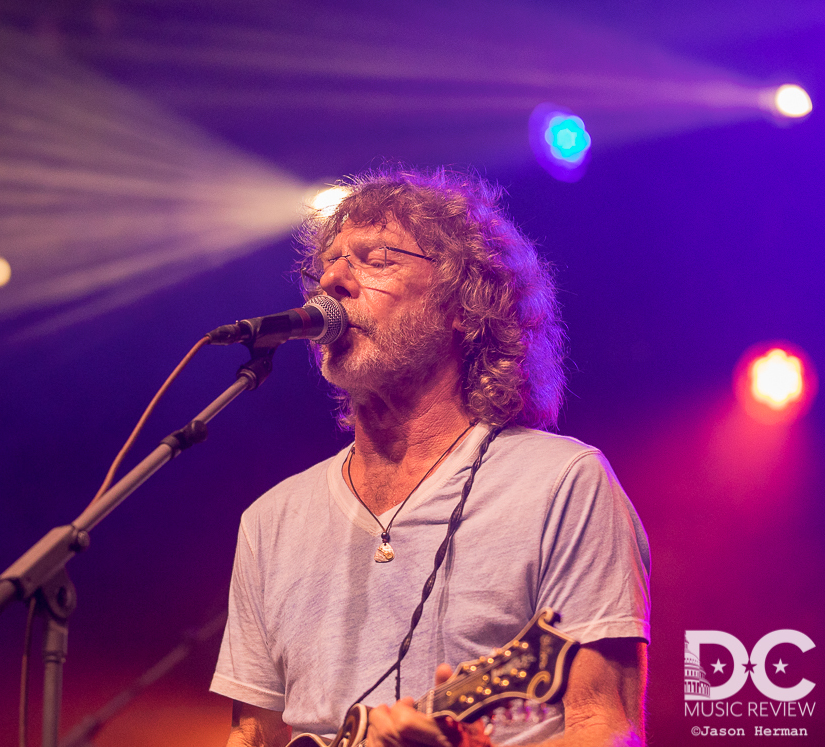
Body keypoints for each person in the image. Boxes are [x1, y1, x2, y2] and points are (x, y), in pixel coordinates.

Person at [210, 166, 651, 747]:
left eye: (377, 259)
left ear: (465, 304)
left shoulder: (562, 484)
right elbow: (252, 737)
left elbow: (604, 729)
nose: (333, 282)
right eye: (328, 265)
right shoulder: (271, 519)